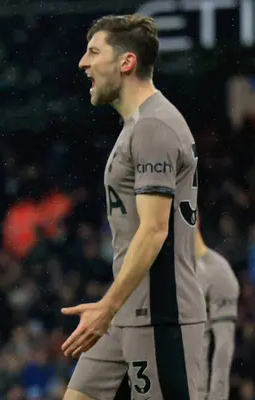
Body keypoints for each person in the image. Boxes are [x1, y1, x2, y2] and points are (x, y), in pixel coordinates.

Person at [61, 14, 206, 400]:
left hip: (161, 315)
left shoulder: (153, 127)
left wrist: (107, 306)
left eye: (94, 52)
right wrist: (112, 308)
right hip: (126, 308)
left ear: (126, 63)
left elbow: (155, 229)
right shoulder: (137, 124)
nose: (83, 62)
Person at [195, 223, 239, 400]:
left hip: (199, 391)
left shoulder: (217, 270)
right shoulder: (167, 271)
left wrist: (216, 397)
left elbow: (223, 345)